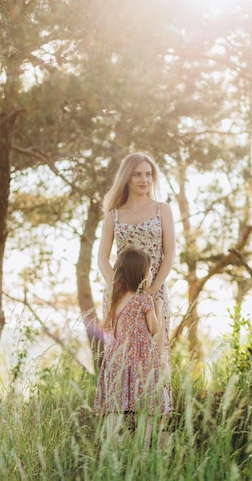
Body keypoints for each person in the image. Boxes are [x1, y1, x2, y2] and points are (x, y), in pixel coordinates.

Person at [97, 151, 175, 412]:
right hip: (119, 297)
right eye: (137, 174)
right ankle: (120, 417)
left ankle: (155, 419)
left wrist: (151, 291)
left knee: (155, 353)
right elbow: (102, 259)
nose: (144, 179)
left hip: (154, 292)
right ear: (127, 177)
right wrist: (120, 290)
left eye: (148, 174)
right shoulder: (114, 215)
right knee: (121, 356)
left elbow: (169, 254)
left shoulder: (162, 210)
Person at [93, 247, 166, 446]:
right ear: (139, 274)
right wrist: (158, 307)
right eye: (149, 270)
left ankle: (112, 446)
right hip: (141, 359)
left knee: (116, 405)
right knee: (147, 405)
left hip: (118, 359)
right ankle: (144, 447)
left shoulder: (115, 300)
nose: (151, 274)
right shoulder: (144, 299)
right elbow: (154, 328)